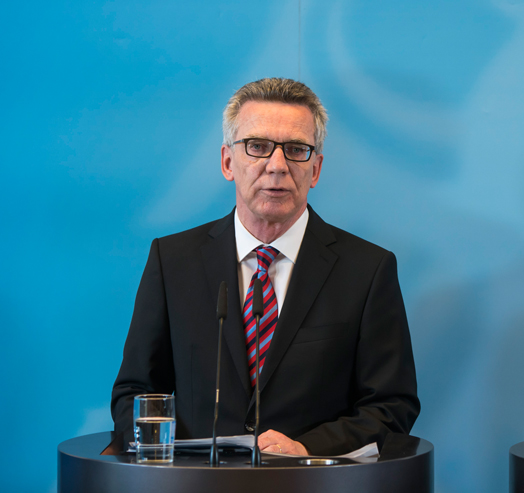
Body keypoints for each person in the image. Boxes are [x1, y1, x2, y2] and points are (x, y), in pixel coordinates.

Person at [112, 77, 419, 456]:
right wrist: (173, 460)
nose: (277, 166)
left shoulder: (368, 270)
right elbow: (135, 393)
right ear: (228, 161)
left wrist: (306, 448)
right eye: (257, 147)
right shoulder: (173, 260)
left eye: (295, 150)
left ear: (316, 169)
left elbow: (391, 406)